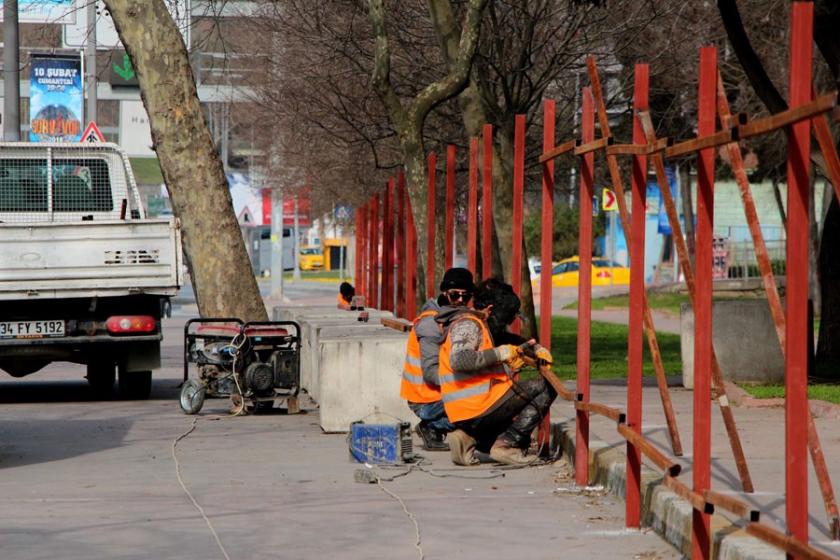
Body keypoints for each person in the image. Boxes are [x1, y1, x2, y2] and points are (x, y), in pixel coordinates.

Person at [437, 278, 556, 466]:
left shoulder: (481, 325)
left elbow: (507, 340)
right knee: (546, 386)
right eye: (506, 317)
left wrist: (536, 348)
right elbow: (459, 360)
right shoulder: (468, 325)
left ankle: (467, 438)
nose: (507, 323)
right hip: (476, 406)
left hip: (465, 410)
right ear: (491, 309)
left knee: (512, 439)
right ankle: (508, 446)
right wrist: (500, 353)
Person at [400, 268, 474, 451]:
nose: (460, 301)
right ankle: (432, 426)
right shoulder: (431, 324)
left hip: (436, 394)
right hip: (425, 399)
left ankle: (435, 426)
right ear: (444, 293)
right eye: (455, 295)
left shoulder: (454, 318)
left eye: (466, 296)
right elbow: (431, 373)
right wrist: (468, 382)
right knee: (477, 411)